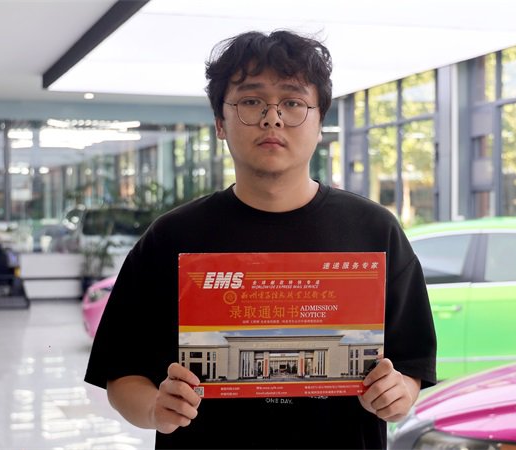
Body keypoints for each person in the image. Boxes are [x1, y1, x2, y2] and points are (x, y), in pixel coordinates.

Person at [85, 30, 436, 449]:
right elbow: (122, 374)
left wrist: (398, 394)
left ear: (320, 123)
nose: (273, 118)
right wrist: (154, 409)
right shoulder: (171, 237)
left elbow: (411, 366)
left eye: (293, 102)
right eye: (251, 102)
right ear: (220, 123)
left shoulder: (374, 230)